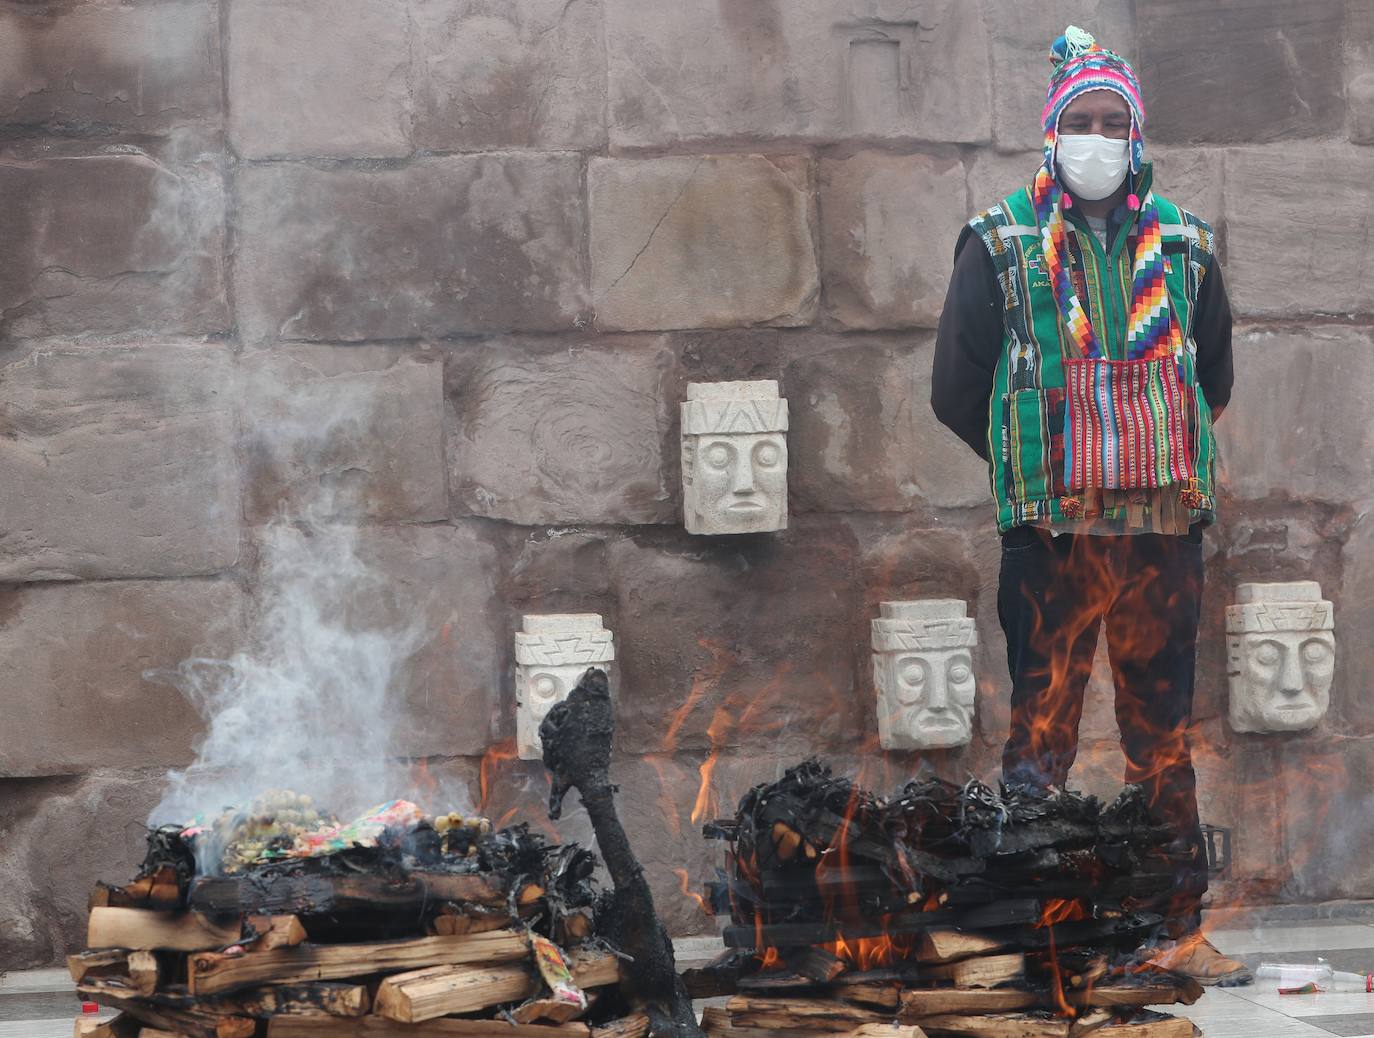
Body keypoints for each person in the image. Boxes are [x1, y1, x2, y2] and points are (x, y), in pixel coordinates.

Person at [931, 26, 1249, 985]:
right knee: (1041, 733)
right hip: (1053, 541)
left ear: (1137, 134)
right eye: (1083, 121)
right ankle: (1034, 928)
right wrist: (1050, 461)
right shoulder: (999, 242)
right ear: (1053, 132)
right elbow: (958, 387)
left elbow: (1215, 373)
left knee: (1164, 737)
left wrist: (1139, 447)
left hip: (1160, 539)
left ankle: (1175, 926)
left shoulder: (1187, 247)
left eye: (1116, 122)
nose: (1100, 137)